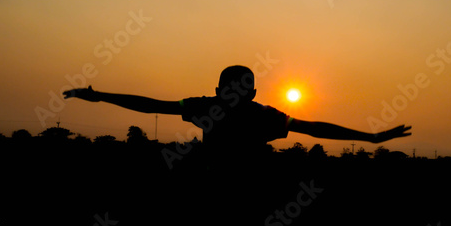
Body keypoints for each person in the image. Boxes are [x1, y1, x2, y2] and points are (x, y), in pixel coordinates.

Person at [63, 65, 411, 167]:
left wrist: (372, 137)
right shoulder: (261, 114)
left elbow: (154, 105)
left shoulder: (216, 108)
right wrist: (99, 96)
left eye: (237, 91)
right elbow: (153, 105)